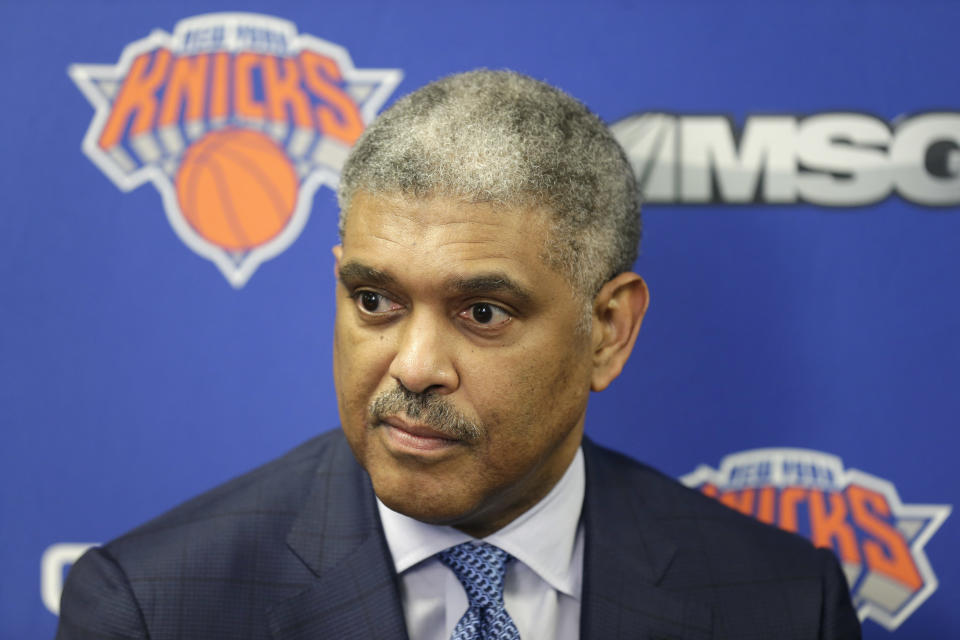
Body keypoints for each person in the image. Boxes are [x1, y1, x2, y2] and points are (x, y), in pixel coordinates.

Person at [57, 70, 861, 640]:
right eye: (375, 301)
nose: (413, 367)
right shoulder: (154, 610)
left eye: (482, 312)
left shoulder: (786, 604)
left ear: (609, 330)